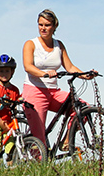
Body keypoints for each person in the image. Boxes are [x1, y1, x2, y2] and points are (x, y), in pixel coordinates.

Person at [21, 9, 95, 148]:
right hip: (34, 91)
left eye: (47, 25)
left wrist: (85, 75)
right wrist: (44, 74)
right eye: (40, 24)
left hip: (53, 92)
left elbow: (70, 67)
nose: (43, 28)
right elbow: (28, 66)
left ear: (54, 26)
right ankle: (39, 167)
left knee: (81, 108)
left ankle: (66, 141)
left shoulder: (58, 45)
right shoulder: (31, 44)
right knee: (39, 137)